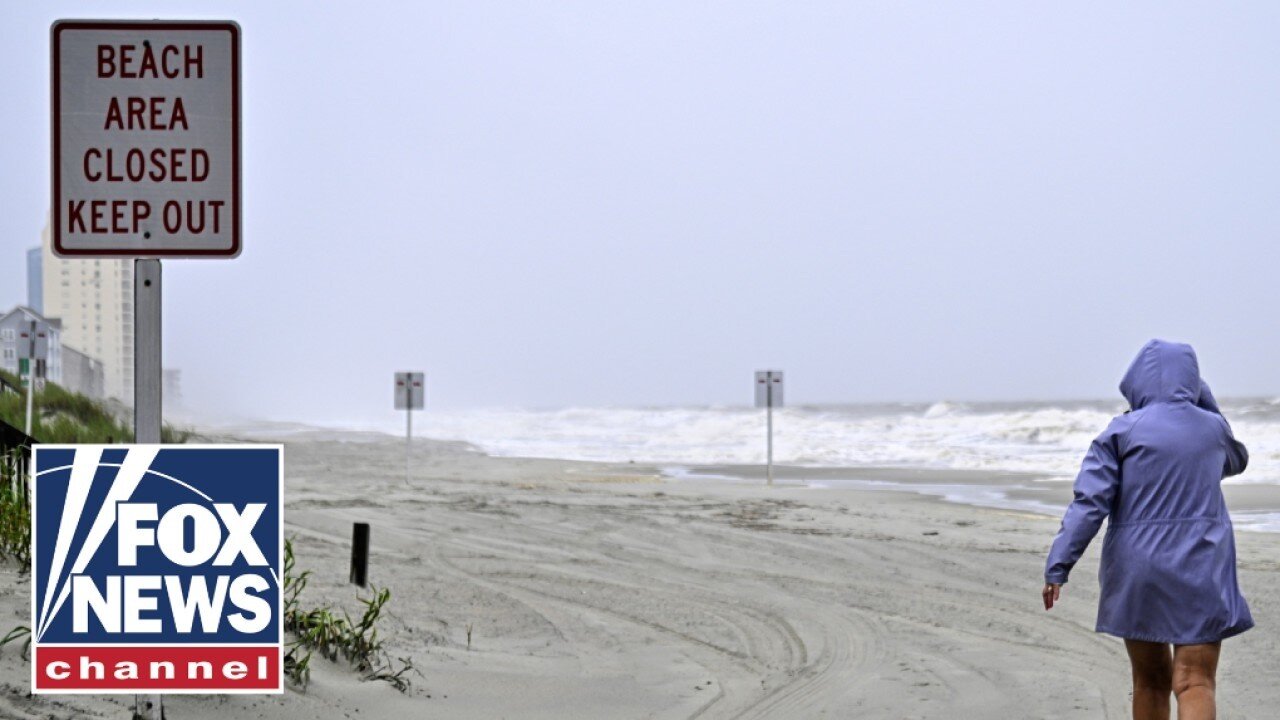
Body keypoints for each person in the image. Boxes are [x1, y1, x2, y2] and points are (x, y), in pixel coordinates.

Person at [1043, 339, 1252, 720]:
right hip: (1202, 565)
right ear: (1193, 380)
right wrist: (1201, 400)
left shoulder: (1119, 432)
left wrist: (1060, 564)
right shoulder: (1213, 430)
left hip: (1138, 568)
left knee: (1150, 681)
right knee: (1195, 681)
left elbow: (1089, 503)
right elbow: (1237, 461)